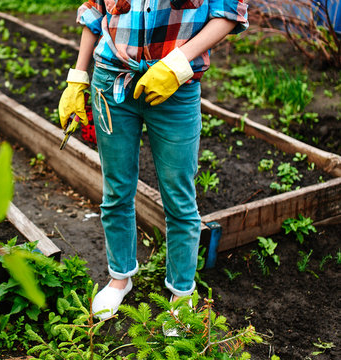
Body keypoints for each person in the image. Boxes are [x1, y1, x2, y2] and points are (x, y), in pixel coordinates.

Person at [58, 0, 248, 321]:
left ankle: (181, 292)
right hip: (111, 83)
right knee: (116, 189)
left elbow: (229, 14)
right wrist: (78, 76)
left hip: (177, 87)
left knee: (178, 196)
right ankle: (120, 278)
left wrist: (175, 64)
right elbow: (94, 10)